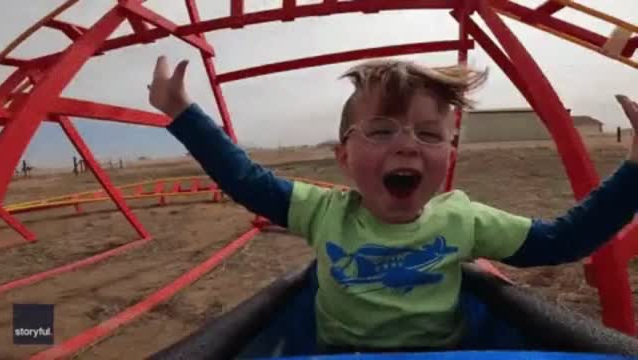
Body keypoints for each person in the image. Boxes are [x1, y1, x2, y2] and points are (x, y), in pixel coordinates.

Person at [148, 55, 638, 352]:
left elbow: (563, 239)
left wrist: (634, 171)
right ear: (344, 156)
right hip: (339, 354)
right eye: (381, 130)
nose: (407, 145)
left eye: (428, 134)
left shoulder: (462, 218)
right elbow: (246, 180)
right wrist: (183, 114)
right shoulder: (324, 211)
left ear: (448, 156)